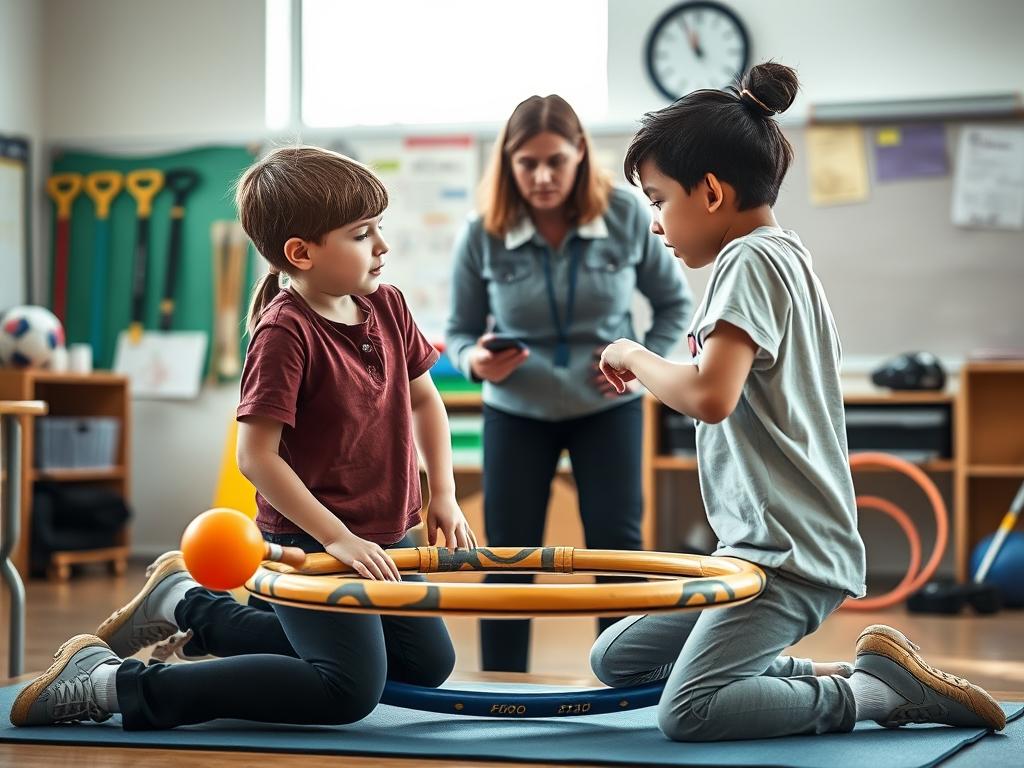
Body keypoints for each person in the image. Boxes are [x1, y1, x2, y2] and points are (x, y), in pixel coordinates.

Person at [590, 62, 1007, 741]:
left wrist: (633, 355)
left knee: (687, 712)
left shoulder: (747, 261)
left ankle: (874, 694)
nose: (657, 225)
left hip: (786, 556)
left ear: (712, 192)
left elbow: (709, 395)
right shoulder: (784, 254)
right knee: (617, 659)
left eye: (659, 201)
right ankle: (815, 674)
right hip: (754, 550)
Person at [10, 145, 478, 730]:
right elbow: (255, 457)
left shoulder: (387, 305)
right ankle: (112, 685)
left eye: (379, 227)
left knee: (425, 665)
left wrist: (443, 494)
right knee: (347, 689)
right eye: (362, 234)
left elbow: (424, 398)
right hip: (311, 540)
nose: (382, 245)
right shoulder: (285, 332)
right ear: (301, 253)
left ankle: (187, 605)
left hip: (386, 534)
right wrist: (336, 538)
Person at [445, 94, 694, 673]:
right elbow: (458, 333)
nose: (542, 177)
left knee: (617, 552)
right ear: (508, 162)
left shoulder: (627, 215)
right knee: (507, 557)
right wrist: (475, 360)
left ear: (580, 153)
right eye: (526, 163)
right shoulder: (482, 231)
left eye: (555, 161)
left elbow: (673, 305)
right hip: (516, 409)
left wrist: (641, 364)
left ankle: (624, 680)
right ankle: (502, 684)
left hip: (608, 406)